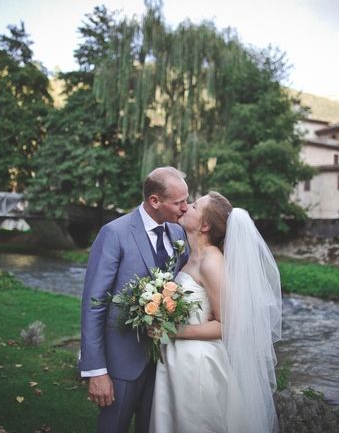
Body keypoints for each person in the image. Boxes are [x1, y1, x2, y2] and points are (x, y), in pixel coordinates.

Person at [150, 192, 283, 433]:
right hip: (178, 358)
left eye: (194, 206)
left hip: (198, 363)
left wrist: (173, 330)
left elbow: (228, 325)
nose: (185, 208)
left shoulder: (212, 262)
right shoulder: (191, 257)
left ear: (205, 225)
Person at [79, 166, 189, 433]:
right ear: (155, 201)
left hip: (165, 363)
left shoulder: (178, 234)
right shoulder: (114, 233)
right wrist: (96, 371)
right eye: (179, 202)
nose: (186, 208)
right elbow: (94, 305)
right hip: (122, 364)